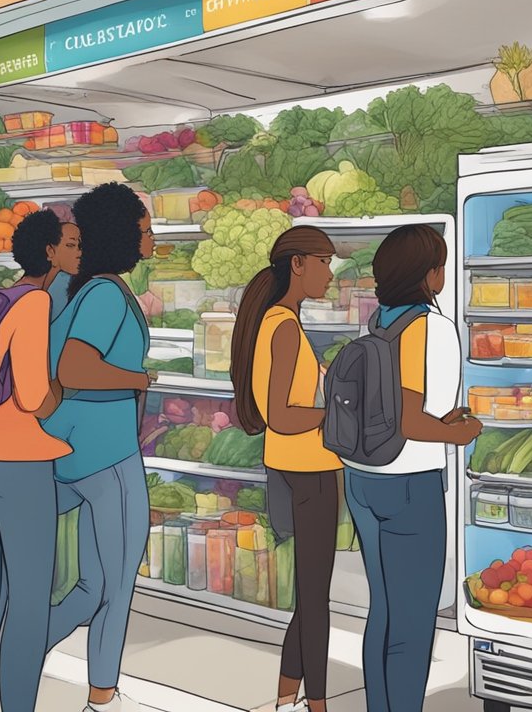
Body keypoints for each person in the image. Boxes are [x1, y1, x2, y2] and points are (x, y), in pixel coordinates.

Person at [342, 224, 480, 712]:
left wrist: (440, 421)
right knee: (414, 620)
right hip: (408, 485)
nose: (442, 273)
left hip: (361, 479)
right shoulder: (433, 328)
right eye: (439, 265)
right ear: (428, 274)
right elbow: (409, 418)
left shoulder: (377, 320)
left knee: (382, 608)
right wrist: (457, 433)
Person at [0, 213, 80, 712]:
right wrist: (61, 389)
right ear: (49, 253)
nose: (78, 252)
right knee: (29, 607)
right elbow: (34, 399)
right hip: (18, 467)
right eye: (71, 244)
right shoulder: (35, 303)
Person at [43, 183, 155, 712]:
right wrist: (138, 378)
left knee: (90, 585)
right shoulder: (107, 294)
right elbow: (75, 368)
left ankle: (21, 648)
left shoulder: (73, 289)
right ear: (122, 235)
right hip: (108, 457)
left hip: (73, 452)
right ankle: (102, 696)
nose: (151, 236)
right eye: (145, 228)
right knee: (117, 583)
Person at [230, 227, 341, 712]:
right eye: (324, 261)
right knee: (316, 598)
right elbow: (281, 414)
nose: (331, 273)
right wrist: (337, 415)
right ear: (297, 264)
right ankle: (316, 703)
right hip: (308, 471)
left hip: (289, 468)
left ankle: (285, 698)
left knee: (308, 594)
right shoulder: (285, 327)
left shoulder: (276, 321)